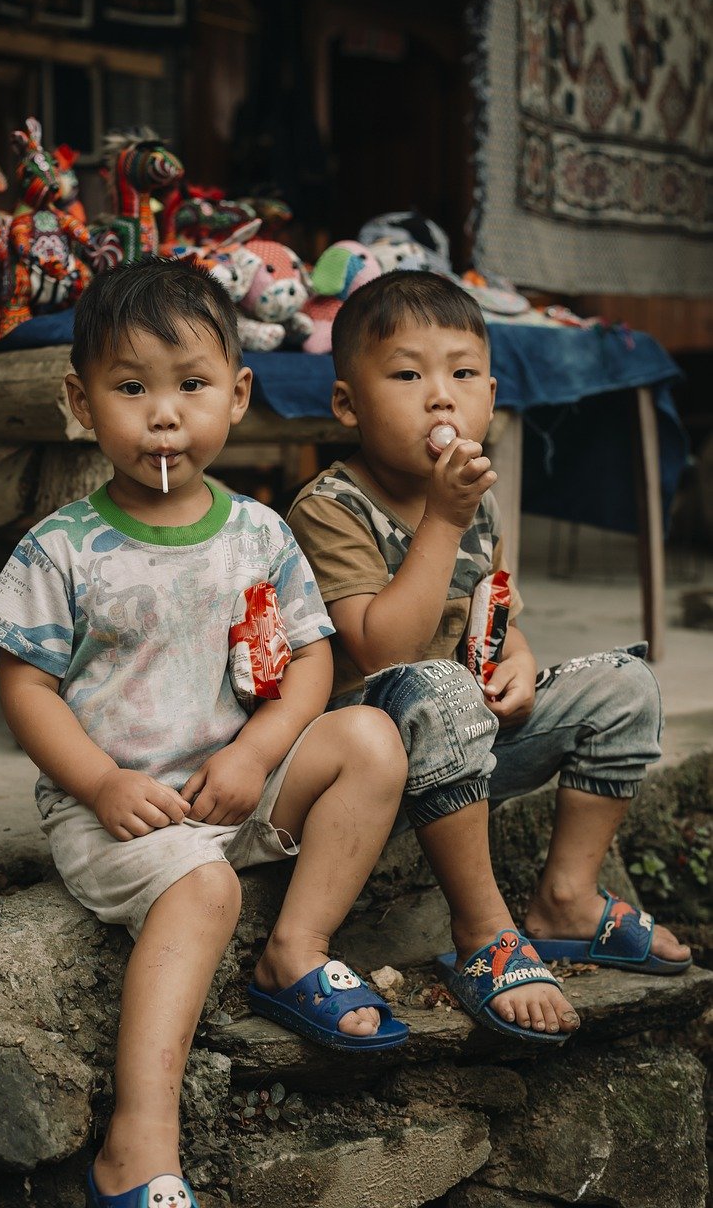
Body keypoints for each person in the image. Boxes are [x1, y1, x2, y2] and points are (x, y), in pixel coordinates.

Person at [0, 257, 409, 1208]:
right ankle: (137, 1146)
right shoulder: (62, 547)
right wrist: (99, 785)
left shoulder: (258, 532)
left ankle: (296, 946)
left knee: (370, 740)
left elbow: (310, 662)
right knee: (204, 885)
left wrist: (257, 750)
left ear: (237, 396)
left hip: (232, 789)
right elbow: (26, 685)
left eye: (191, 385)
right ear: (79, 402)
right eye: (130, 388)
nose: (162, 414)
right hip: (121, 818)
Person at [287, 270, 691, 1046]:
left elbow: (494, 612)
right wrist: (443, 518)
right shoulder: (329, 508)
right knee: (434, 685)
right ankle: (480, 929)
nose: (441, 397)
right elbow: (382, 652)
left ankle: (567, 899)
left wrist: (516, 663)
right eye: (407, 375)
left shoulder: (478, 505)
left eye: (462, 375)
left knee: (625, 684)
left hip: (469, 744)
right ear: (347, 404)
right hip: (372, 769)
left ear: (492, 395)